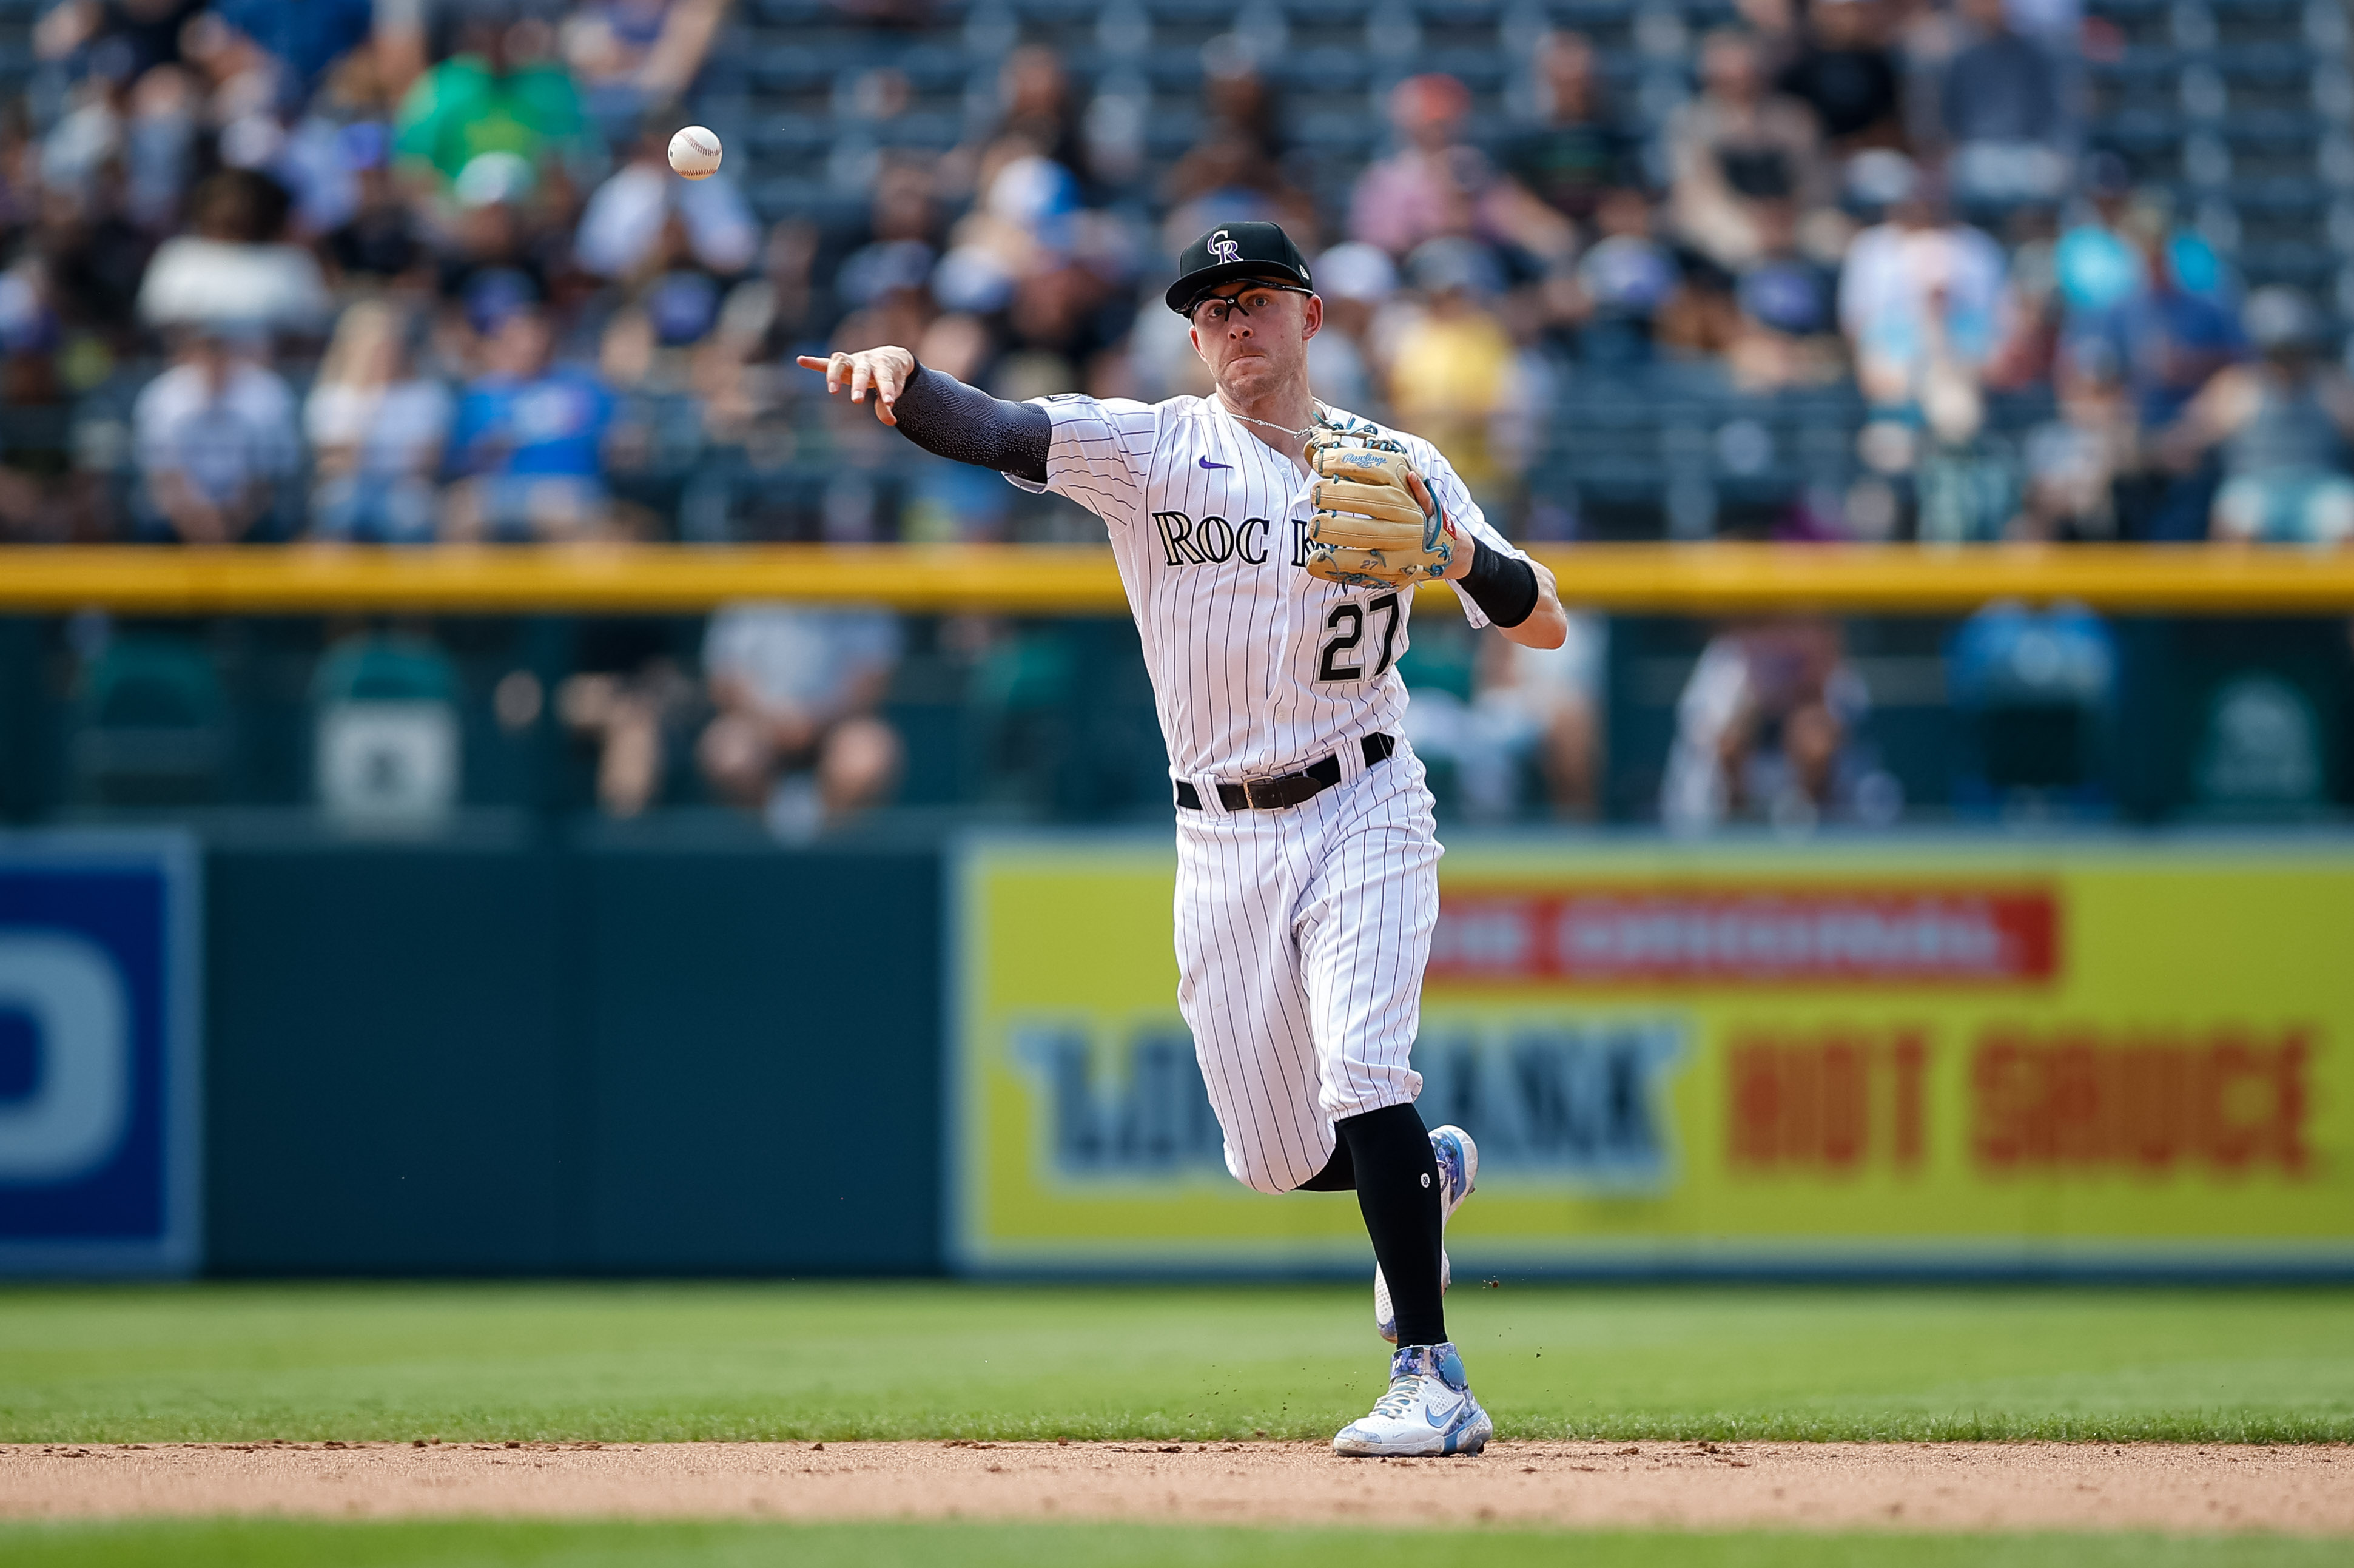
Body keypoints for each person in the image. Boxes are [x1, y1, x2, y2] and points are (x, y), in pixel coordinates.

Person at [799, 219, 1571, 1458]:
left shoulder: (1398, 461)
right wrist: (905, 381)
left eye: (1255, 298)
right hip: (1219, 834)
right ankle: (1423, 1177)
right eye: (1211, 309)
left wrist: (1454, 550)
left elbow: (1543, 621)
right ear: (1193, 336)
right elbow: (999, 429)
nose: (1232, 323)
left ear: (1309, 316)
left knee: (1361, 1071)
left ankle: (1430, 1375)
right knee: (1272, 1160)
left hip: (1367, 799)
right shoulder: (1150, 448)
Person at [2158, 288, 2354, 546]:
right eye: (2279, 351)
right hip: (2254, 485)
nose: (2287, 361)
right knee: (2239, 517)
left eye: (2294, 350)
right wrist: (2164, 445)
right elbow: (2191, 432)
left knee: (2345, 516)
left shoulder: (2330, 386)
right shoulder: (2238, 387)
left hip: (2319, 485)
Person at [696, 603, 903, 838]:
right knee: (729, 752)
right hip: (761, 727)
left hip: (839, 725)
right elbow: (725, 681)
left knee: (866, 758)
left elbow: (873, 680)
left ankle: (820, 847)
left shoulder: (861, 593)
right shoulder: (745, 590)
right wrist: (776, 721)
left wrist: (816, 720)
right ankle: (774, 843)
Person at [443, 306, 616, 540]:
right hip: (497, 488)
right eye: (519, 340)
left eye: (535, 338)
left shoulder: (583, 389)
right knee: (462, 510)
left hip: (564, 487)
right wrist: (485, 450)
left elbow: (612, 439)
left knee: (567, 515)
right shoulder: (481, 395)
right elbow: (459, 456)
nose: (529, 347)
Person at [130, 325, 300, 542]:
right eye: (205, 350)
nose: (213, 360)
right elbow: (164, 478)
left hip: (248, 514)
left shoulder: (268, 395)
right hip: (180, 515)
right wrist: (198, 526)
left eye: (220, 350)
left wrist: (232, 526)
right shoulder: (161, 397)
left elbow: (266, 481)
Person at [304, 300, 451, 544]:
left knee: (409, 514)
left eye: (388, 346)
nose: (382, 354)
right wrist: (371, 401)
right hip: (350, 485)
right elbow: (333, 464)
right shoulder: (330, 397)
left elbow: (427, 459)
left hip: (406, 485)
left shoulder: (425, 394)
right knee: (341, 510)